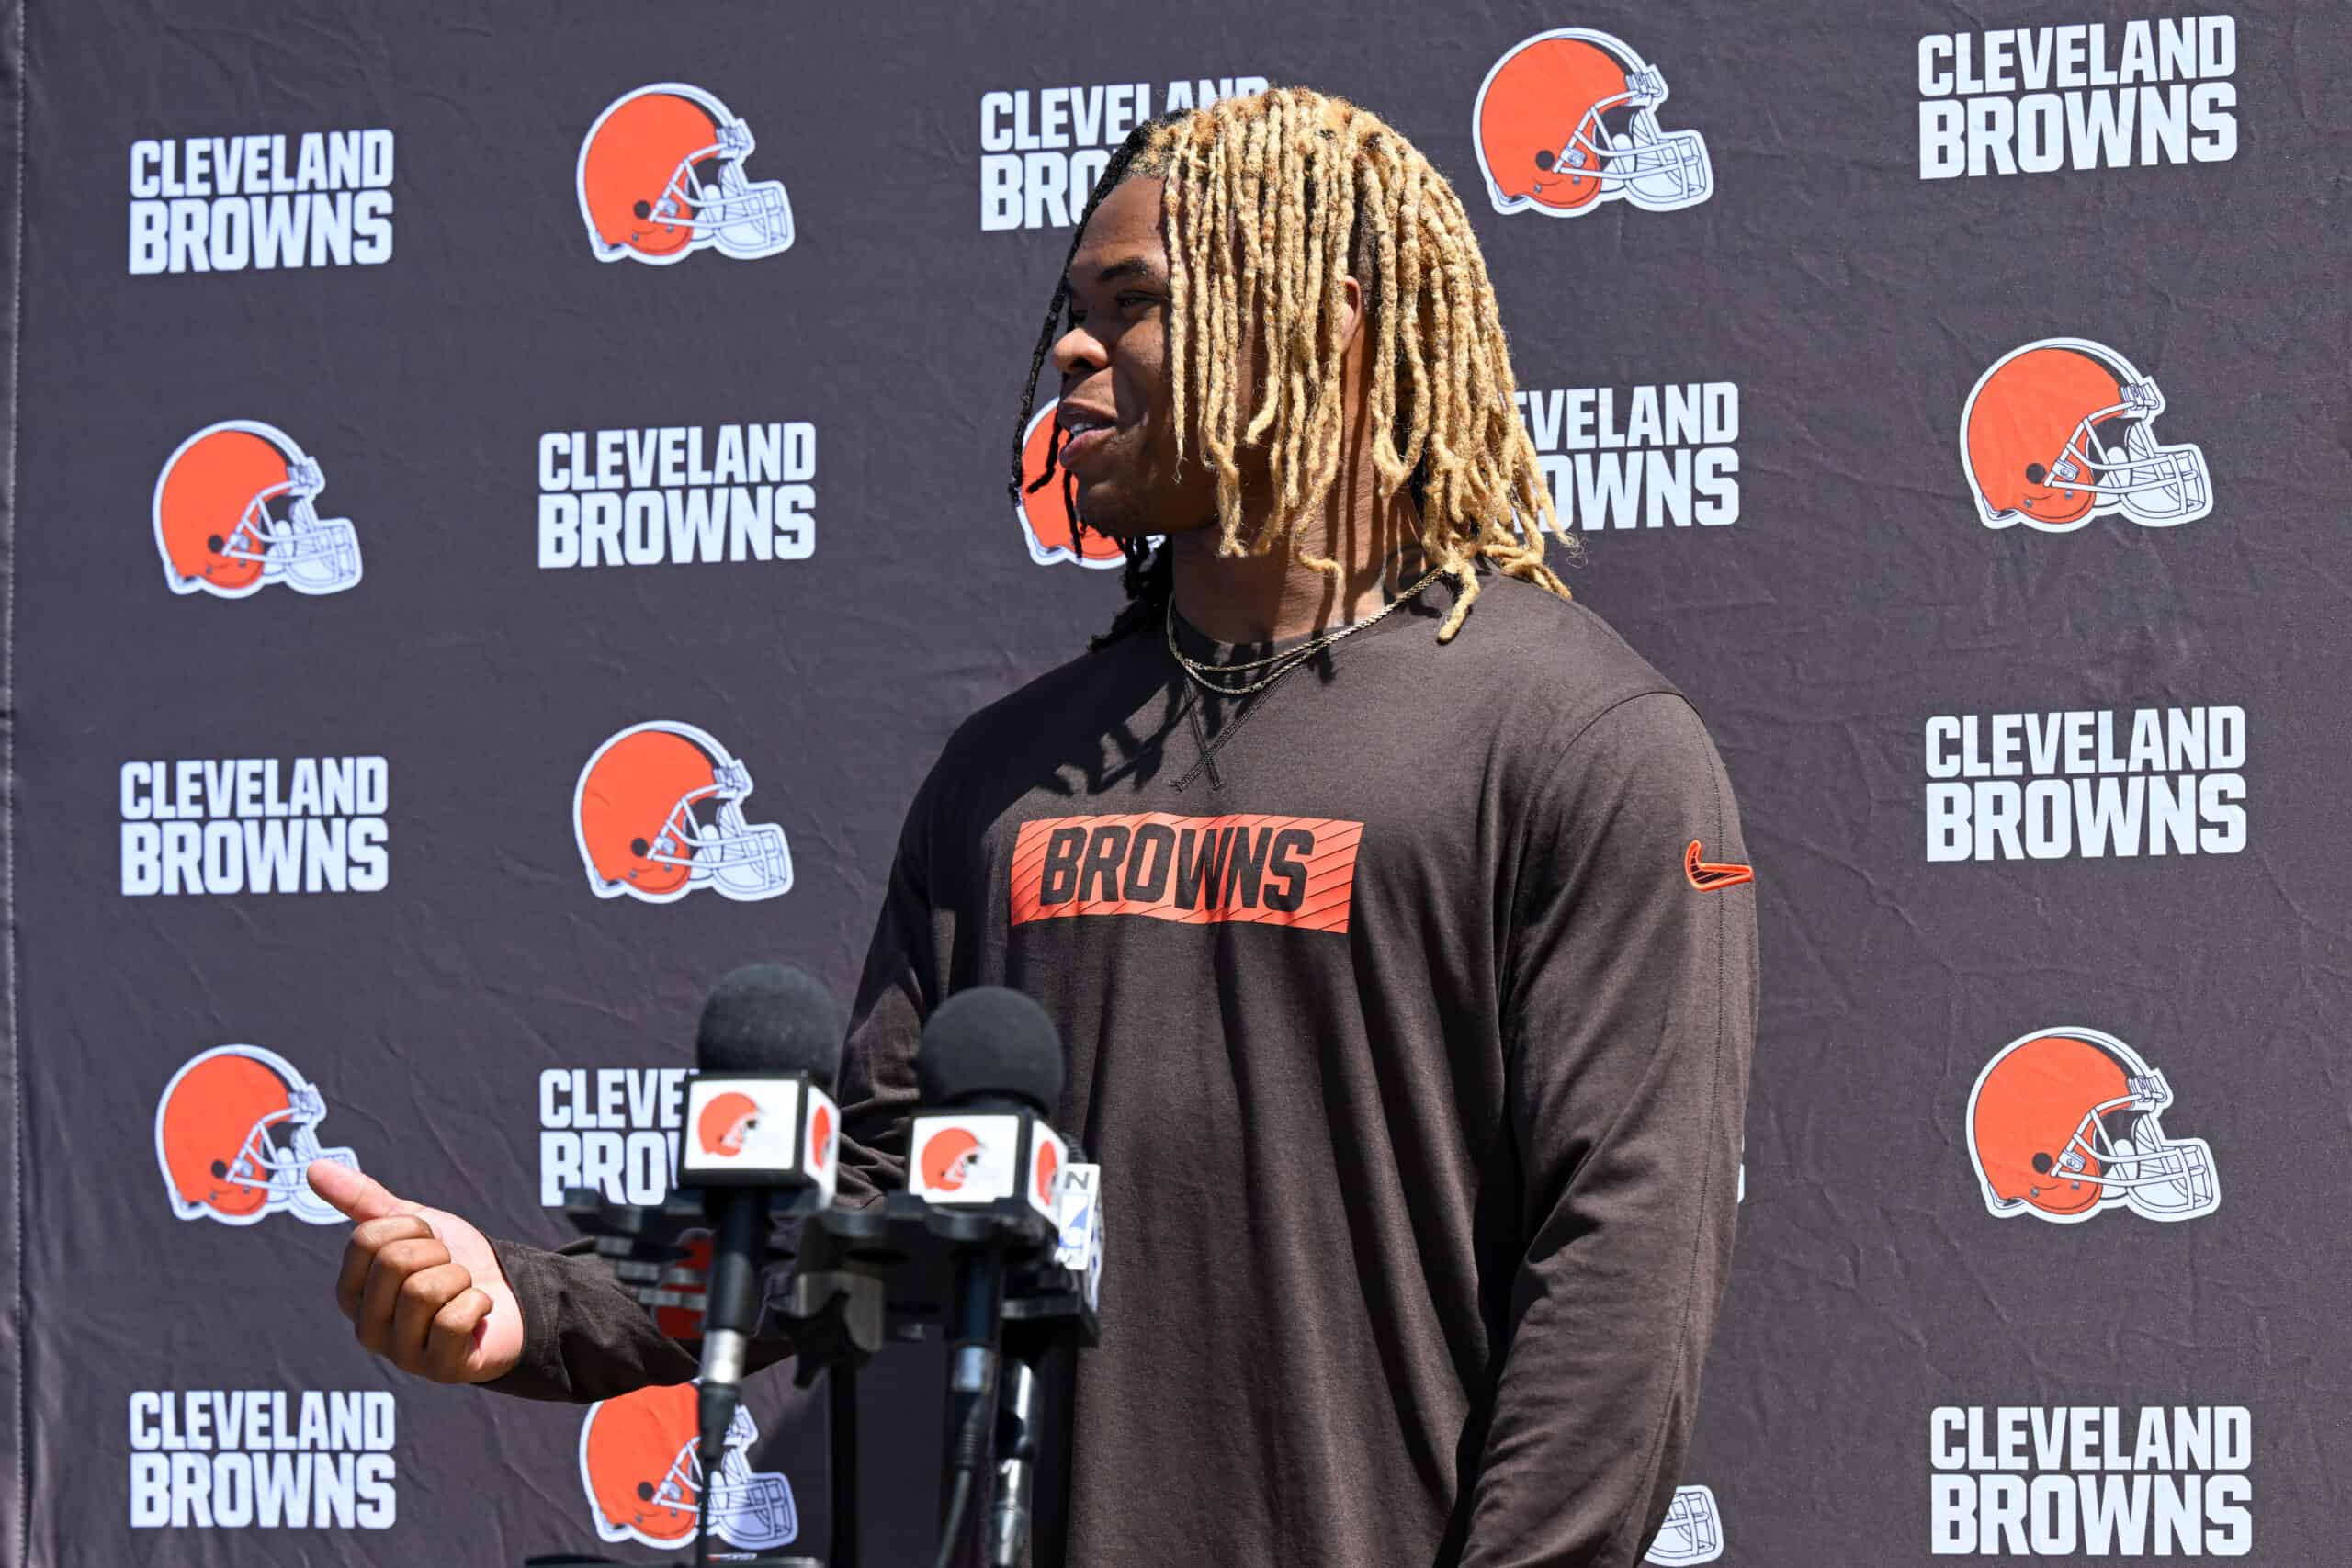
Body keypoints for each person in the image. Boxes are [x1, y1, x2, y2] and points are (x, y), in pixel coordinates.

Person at [310, 85, 1758, 1568]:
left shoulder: (1582, 745)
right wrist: (537, 1303)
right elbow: (866, 1192)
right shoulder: (1008, 771)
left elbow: (1617, 1275)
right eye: (1074, 307)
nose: (1070, 347)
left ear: (1326, 326)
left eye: (1132, 304)